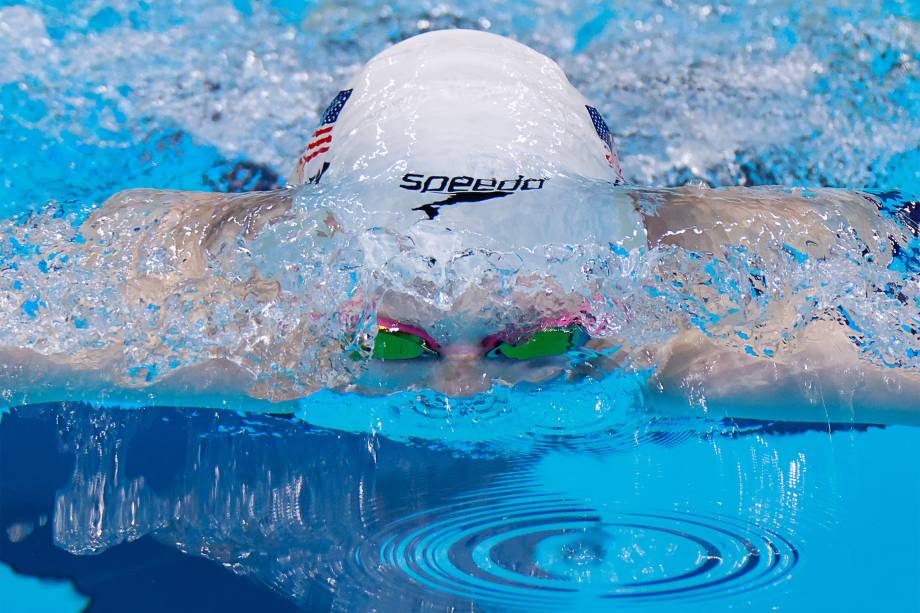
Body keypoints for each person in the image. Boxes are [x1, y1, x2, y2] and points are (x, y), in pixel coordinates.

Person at [1, 29, 918, 422]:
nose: (461, 393)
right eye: (395, 344)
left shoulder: (724, 320)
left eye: (540, 337)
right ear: (317, 288)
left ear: (611, 291)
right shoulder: (202, 302)